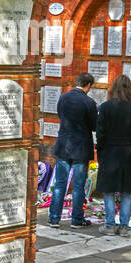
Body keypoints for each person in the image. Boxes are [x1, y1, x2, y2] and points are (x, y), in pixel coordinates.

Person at [96, 74, 131, 235]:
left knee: (108, 190)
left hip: (109, 153)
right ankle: (124, 226)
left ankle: (110, 225)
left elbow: (100, 133)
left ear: (113, 89)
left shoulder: (105, 107)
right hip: (128, 154)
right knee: (126, 191)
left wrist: (100, 149)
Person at [47, 72, 98, 228]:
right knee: (78, 185)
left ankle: (54, 218)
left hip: (63, 145)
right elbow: (94, 126)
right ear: (88, 85)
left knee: (60, 184)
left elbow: (60, 116)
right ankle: (76, 220)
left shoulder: (63, 97)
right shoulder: (89, 102)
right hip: (80, 149)